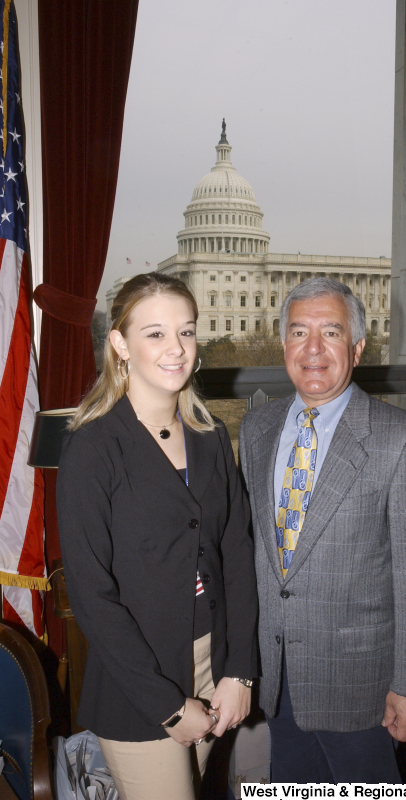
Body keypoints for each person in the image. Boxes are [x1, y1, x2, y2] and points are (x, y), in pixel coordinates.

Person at [57, 273, 258, 800]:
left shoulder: (210, 435)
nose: (176, 349)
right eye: (155, 334)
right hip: (139, 679)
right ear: (120, 343)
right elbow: (91, 595)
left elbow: (236, 553)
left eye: (186, 332)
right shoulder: (92, 447)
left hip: (213, 662)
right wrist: (167, 705)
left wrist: (240, 671)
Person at [239, 277, 406, 784]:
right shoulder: (256, 430)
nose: (313, 349)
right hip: (278, 672)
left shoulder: (402, 441)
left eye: (330, 333)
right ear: (283, 343)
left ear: (356, 348)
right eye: (298, 332)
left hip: (362, 685)